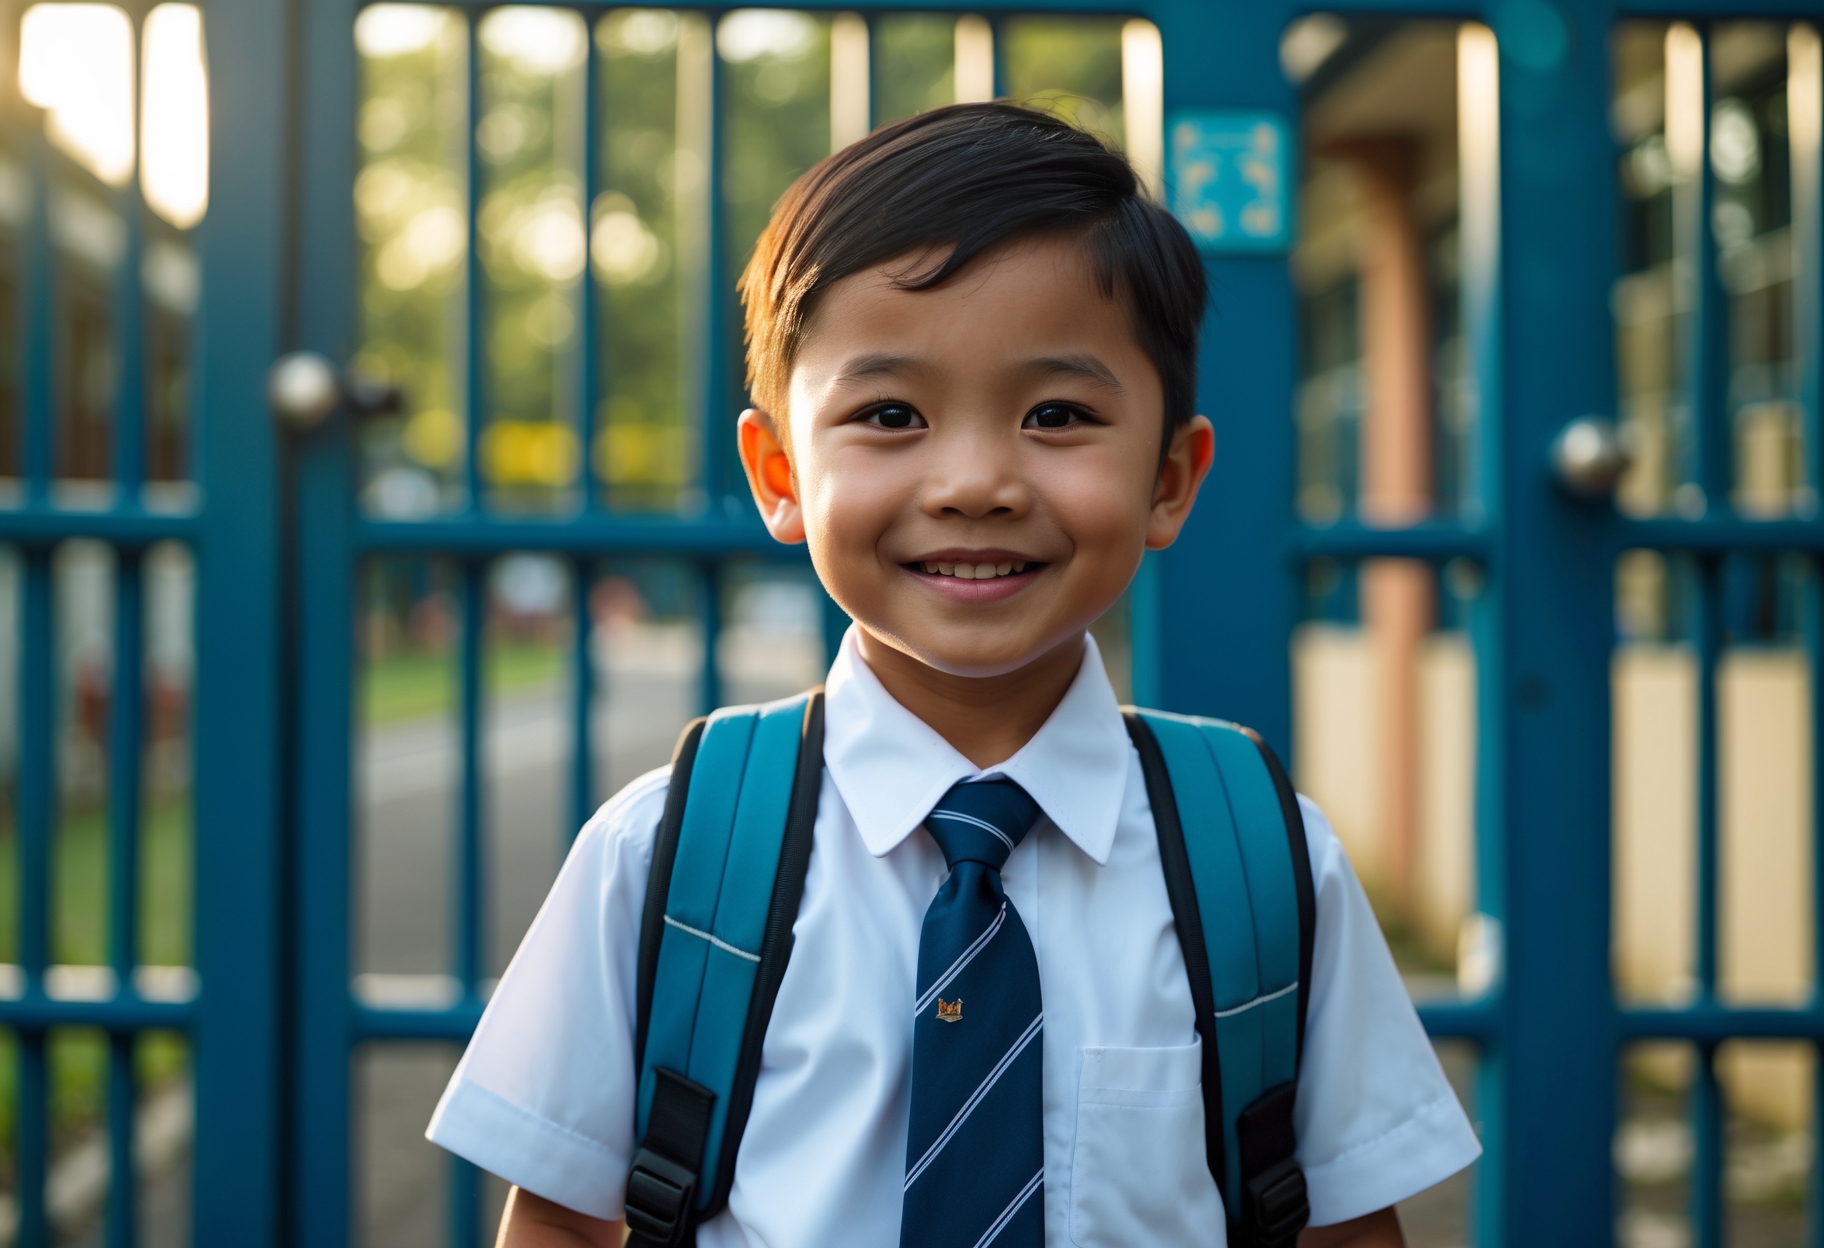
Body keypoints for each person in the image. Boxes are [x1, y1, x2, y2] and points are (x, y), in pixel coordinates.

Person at [427, 102, 1480, 1248]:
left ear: (1172, 478)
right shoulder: (670, 852)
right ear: (778, 473)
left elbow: (1342, 1226)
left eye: (1056, 414)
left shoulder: (1263, 859)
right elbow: (565, 1220)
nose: (975, 482)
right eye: (891, 414)